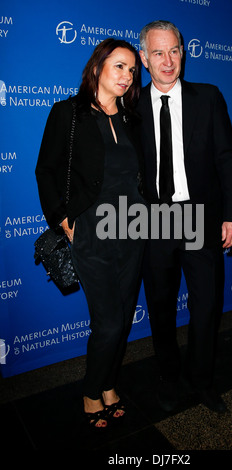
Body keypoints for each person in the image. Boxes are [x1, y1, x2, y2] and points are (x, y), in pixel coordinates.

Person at [35, 39, 145, 429]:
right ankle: (91, 390)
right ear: (97, 67)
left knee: (125, 318)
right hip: (92, 233)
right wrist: (63, 218)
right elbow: (45, 170)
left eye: (132, 70)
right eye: (119, 66)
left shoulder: (134, 117)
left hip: (135, 230)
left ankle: (110, 383)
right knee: (109, 322)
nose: (127, 76)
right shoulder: (69, 113)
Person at [138, 20, 232, 413]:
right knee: (161, 306)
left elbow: (228, 159)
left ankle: (200, 380)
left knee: (207, 305)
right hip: (153, 221)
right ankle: (169, 377)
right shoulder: (130, 106)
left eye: (175, 51)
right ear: (144, 59)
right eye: (159, 53)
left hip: (199, 216)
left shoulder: (208, 97)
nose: (168, 61)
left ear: (184, 53)